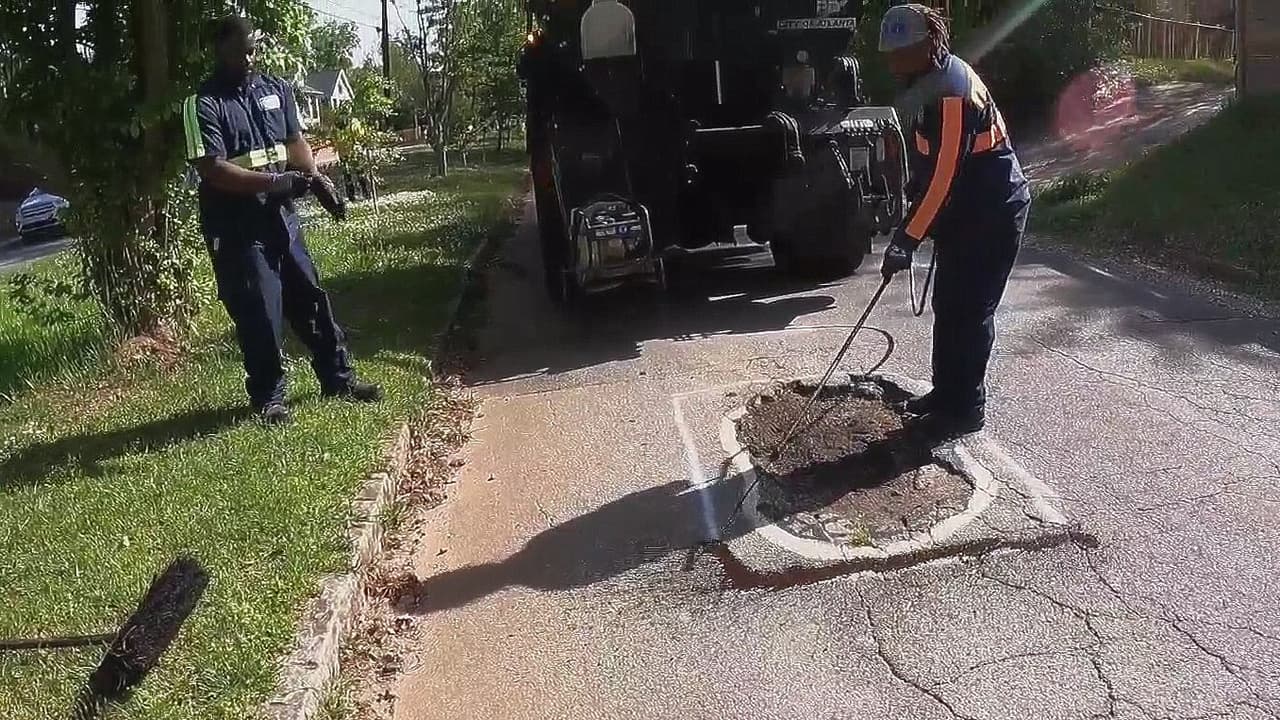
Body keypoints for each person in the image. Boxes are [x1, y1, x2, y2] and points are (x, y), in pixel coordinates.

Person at [183, 15, 382, 425]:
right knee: (260, 310)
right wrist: (277, 182)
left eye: (254, 48)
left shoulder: (275, 89)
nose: (250, 57)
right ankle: (270, 399)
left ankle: (338, 378)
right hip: (237, 228)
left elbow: (296, 143)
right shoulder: (203, 104)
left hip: (281, 219)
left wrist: (316, 181)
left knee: (310, 298)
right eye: (241, 50)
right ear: (219, 50)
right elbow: (213, 169)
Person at [876, 3, 1031, 437]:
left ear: (928, 44)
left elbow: (945, 179)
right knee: (949, 305)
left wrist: (906, 240)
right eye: (890, 53)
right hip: (965, 213)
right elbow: (931, 166)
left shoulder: (951, 93)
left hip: (993, 213)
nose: (894, 61)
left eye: (902, 52)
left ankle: (965, 410)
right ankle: (946, 394)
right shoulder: (923, 78)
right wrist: (914, 200)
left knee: (969, 312)